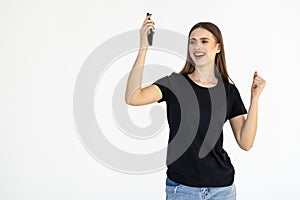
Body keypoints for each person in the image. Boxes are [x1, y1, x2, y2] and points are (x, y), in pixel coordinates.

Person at [125, 14, 266, 200]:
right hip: (182, 189)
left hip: (222, 188)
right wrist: (144, 47)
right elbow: (133, 97)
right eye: (192, 42)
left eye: (204, 41)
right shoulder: (174, 84)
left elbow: (245, 142)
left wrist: (254, 99)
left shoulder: (228, 91)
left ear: (218, 47)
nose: (197, 46)